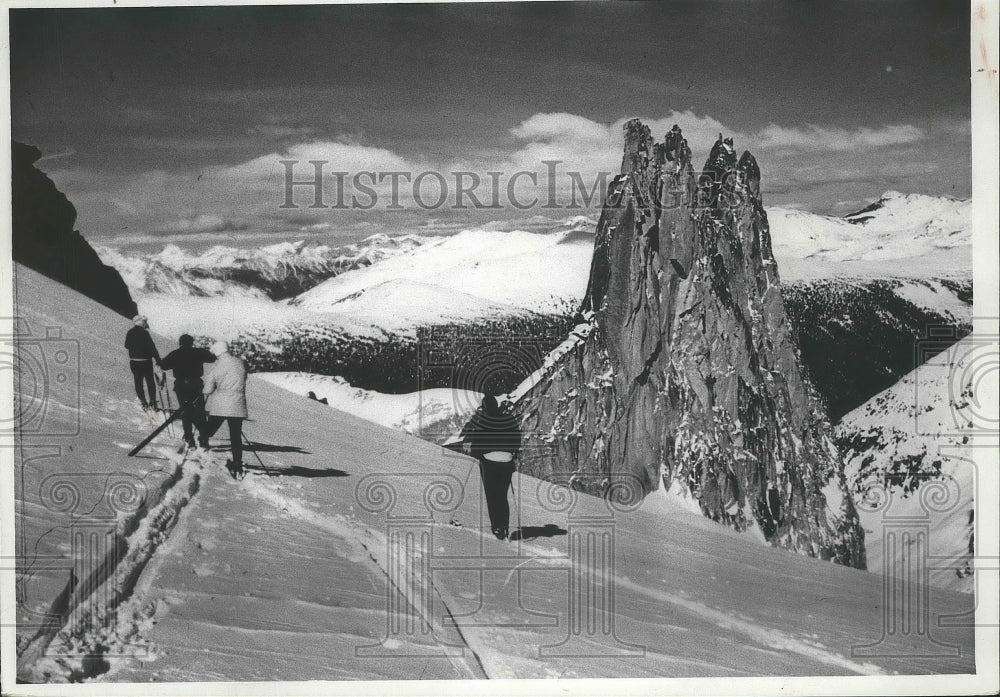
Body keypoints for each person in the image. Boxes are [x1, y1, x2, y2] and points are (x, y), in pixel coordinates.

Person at [460, 394, 522, 540]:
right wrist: (512, 453)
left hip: (488, 460)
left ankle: (498, 528)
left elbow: (476, 439)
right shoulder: (509, 418)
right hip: (506, 461)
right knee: (502, 495)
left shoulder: (483, 419)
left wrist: (475, 455)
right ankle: (504, 527)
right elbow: (516, 438)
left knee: (492, 495)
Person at [160, 334, 216, 449]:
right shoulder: (198, 352)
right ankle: (203, 438)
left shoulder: (175, 353)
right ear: (191, 342)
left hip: (181, 385)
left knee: (186, 411)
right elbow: (212, 358)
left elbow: (164, 365)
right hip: (196, 384)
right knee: (200, 411)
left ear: (180, 342)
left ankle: (189, 438)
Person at [202, 341, 248, 478]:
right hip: (238, 404)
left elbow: (208, 389)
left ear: (217, 352)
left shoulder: (217, 366)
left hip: (221, 404)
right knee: (235, 436)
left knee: (209, 429)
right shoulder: (240, 363)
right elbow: (244, 378)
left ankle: (202, 445)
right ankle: (238, 464)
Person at [124, 315, 161, 411]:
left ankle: (143, 402)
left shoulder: (130, 332)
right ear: (141, 322)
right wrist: (158, 359)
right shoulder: (145, 334)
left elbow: (126, 345)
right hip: (146, 362)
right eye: (145, 322)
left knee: (138, 382)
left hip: (134, 362)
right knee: (150, 382)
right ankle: (152, 401)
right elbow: (152, 347)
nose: (146, 324)